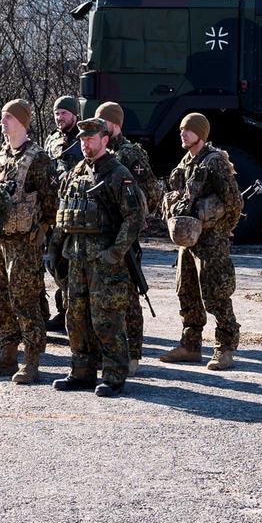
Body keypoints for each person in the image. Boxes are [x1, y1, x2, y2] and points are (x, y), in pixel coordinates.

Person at [52, 117, 145, 397]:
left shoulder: (118, 174)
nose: (85, 144)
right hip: (77, 257)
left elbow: (134, 218)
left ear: (104, 140)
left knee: (106, 318)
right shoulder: (77, 171)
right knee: (76, 316)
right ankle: (81, 371)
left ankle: (114, 375)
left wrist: (114, 254)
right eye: (82, 139)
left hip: (105, 261)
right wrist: (54, 250)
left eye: (90, 139)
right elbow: (64, 211)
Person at [0, 99, 57, 384]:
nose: (2, 122)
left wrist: (42, 229)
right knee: (1, 296)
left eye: (7, 117)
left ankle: (31, 360)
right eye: (2, 116)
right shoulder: (2, 156)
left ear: (22, 121)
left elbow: (51, 201)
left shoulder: (38, 158)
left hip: (24, 242)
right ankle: (7, 355)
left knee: (25, 299)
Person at [159, 112, 243, 371]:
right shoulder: (186, 162)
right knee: (187, 293)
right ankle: (190, 346)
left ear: (201, 134)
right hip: (188, 240)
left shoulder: (214, 162)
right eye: (181, 129)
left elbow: (234, 202)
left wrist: (223, 230)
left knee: (216, 295)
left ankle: (225, 348)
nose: (183, 133)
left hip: (211, 241)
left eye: (188, 130)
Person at [95, 101, 161, 375]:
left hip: (125, 233)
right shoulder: (97, 151)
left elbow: (151, 193)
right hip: (101, 233)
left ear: (114, 124)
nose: (98, 126)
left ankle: (133, 353)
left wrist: (137, 218)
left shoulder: (129, 153)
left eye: (102, 121)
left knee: (129, 297)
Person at [43, 95, 82, 331]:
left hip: (76, 212)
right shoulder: (52, 139)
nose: (60, 118)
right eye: (57, 113)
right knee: (55, 262)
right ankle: (63, 310)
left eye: (64, 113)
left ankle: (73, 314)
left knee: (72, 264)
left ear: (74, 114)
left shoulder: (84, 138)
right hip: (55, 212)